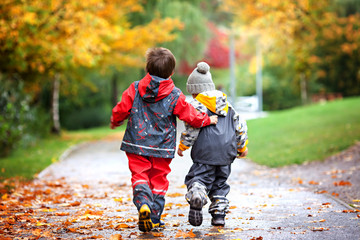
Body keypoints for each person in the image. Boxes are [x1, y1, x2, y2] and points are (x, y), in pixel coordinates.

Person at [110, 48, 218, 232]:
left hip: (136, 144)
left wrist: (116, 120)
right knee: (158, 180)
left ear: (147, 69)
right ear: (172, 72)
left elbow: (121, 108)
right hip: (162, 148)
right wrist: (207, 119)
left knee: (140, 176)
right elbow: (190, 115)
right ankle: (154, 218)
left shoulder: (135, 88)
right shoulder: (174, 95)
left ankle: (143, 203)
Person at [177, 62, 248, 227]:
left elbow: (192, 130)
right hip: (226, 155)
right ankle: (218, 215)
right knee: (220, 184)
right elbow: (240, 127)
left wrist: (183, 146)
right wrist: (242, 147)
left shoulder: (196, 106)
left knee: (198, 178)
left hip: (205, 153)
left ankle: (197, 194)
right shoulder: (228, 105)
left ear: (195, 91)